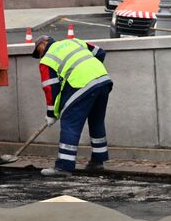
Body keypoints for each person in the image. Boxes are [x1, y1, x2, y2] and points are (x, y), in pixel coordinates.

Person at [32, 34, 112, 177]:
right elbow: (100, 52)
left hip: (81, 84)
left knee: (70, 124)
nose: (39, 55)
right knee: (96, 121)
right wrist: (91, 71)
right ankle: (98, 162)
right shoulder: (74, 41)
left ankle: (64, 167)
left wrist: (51, 114)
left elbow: (50, 89)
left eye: (37, 51)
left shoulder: (48, 59)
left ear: (43, 44)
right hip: (102, 80)